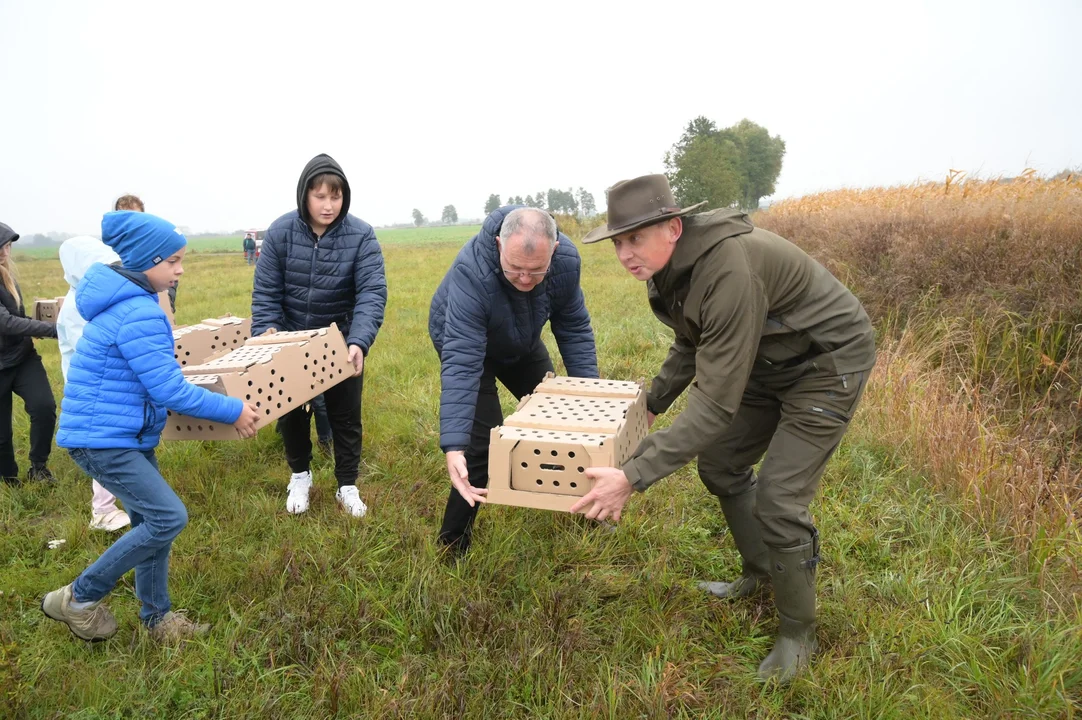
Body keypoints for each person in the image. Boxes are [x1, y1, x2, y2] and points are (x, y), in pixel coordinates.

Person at [570, 174, 876, 683]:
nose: (625, 253)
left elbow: (714, 406)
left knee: (780, 497)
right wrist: (653, 403)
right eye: (618, 242)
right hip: (767, 361)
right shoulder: (671, 269)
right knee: (720, 463)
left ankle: (799, 632)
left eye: (635, 238)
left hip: (825, 365)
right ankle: (759, 574)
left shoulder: (727, 267)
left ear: (673, 227)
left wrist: (632, 474)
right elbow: (694, 342)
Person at [41, 211, 259, 642]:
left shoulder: (131, 303)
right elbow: (168, 389)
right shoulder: (138, 311)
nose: (180, 270)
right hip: (103, 440)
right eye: (173, 261)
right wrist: (233, 409)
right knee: (167, 517)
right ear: (146, 261)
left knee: (150, 521)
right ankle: (78, 598)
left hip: (123, 435)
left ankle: (157, 618)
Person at [428, 206, 598, 556]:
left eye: (536, 272)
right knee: (483, 442)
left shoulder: (566, 263)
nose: (524, 280)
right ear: (498, 245)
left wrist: (590, 403)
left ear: (553, 251)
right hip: (464, 340)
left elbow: (574, 329)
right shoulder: (471, 272)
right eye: (515, 269)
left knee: (556, 417)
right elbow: (463, 361)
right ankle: (453, 541)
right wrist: (454, 445)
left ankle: (585, 506)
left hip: (521, 339)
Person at [251, 153, 386, 517]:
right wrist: (268, 334)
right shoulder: (280, 232)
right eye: (320, 196)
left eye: (336, 196)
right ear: (304, 195)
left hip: (338, 342)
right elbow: (266, 292)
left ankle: (347, 484)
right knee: (291, 413)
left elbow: (372, 292)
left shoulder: (361, 235)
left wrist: (358, 341)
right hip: (291, 343)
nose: (328, 205)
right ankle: (300, 475)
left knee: (345, 417)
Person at [57, 237, 131, 531]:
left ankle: (116, 502)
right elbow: (95, 348)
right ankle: (102, 511)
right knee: (104, 444)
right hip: (91, 388)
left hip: (104, 383)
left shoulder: (91, 299)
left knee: (115, 443)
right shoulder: (77, 306)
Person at [0, 222, 58, 485]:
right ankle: (7, 477)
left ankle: (39, 467)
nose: (5, 252)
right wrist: (53, 329)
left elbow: (18, 318)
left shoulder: (7, 276)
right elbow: (7, 323)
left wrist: (38, 322)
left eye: (8, 246)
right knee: (1, 432)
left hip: (22, 357)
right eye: (1, 246)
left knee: (44, 406)